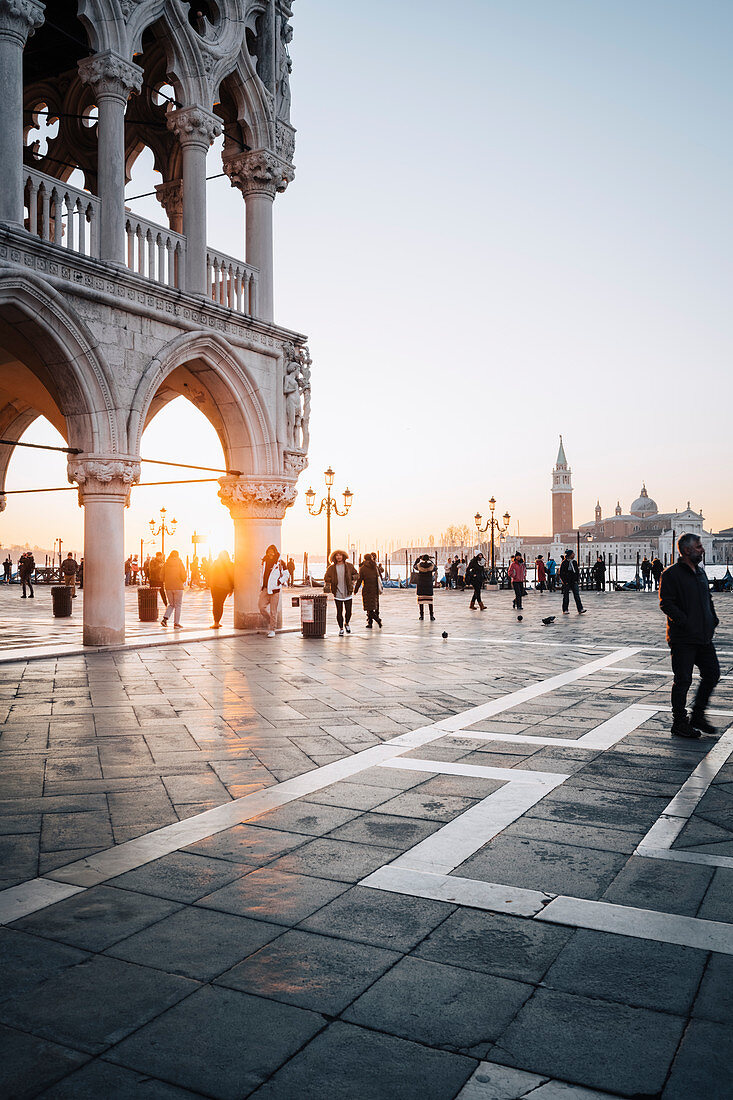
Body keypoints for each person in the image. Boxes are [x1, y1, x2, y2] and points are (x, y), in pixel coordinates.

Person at [659, 533, 720, 739]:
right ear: (686, 550)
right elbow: (666, 603)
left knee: (712, 674)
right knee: (683, 680)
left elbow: (707, 598)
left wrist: (713, 618)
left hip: (703, 637)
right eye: (698, 546)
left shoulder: (700, 573)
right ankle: (679, 722)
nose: (702, 549)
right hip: (683, 638)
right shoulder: (671, 574)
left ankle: (698, 715)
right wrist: (684, 622)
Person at [324, 549, 358, 634]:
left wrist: (352, 578)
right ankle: (341, 628)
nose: (338, 557)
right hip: (337, 592)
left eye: (340, 555)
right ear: (334, 557)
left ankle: (347, 623)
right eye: (337, 555)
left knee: (349, 611)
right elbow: (326, 578)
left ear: (343, 556)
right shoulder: (331, 568)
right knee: (339, 612)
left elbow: (357, 575)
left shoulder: (349, 566)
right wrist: (332, 580)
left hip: (348, 592)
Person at [259, 544, 286, 637]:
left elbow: (286, 574)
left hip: (275, 590)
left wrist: (279, 581)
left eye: (272, 551)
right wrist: (261, 585)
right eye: (269, 551)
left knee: (273, 611)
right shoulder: (264, 562)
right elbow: (262, 574)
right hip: (265, 589)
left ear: (275, 552)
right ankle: (271, 621)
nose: (271, 553)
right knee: (261, 607)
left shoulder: (280, 563)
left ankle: (272, 630)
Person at [354, 553, 382, 628]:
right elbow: (380, 576)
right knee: (373, 606)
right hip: (375, 589)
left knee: (368, 607)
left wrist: (356, 589)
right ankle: (370, 623)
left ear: (364, 559)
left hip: (367, 589)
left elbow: (359, 580)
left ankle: (376, 620)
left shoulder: (363, 568)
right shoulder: (375, 566)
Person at [160, 550, 187, 628]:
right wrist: (182, 580)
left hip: (168, 587)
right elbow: (184, 575)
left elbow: (161, 576)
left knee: (171, 604)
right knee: (178, 605)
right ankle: (176, 623)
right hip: (178, 587)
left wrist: (167, 580)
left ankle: (165, 619)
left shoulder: (166, 563)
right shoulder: (180, 563)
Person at [209, 550, 234, 628]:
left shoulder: (216, 563)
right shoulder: (230, 564)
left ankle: (216, 622)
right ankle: (217, 621)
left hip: (216, 587)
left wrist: (211, 585)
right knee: (220, 604)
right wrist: (231, 588)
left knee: (216, 604)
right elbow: (232, 577)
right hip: (225, 588)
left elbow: (211, 574)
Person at [559, 549, 586, 614]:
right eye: (573, 554)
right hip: (567, 581)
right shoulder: (564, 563)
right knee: (566, 596)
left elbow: (577, 572)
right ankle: (565, 609)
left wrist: (577, 579)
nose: (574, 555)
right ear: (569, 555)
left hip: (574, 581)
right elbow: (561, 573)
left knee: (577, 595)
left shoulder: (574, 562)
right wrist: (564, 581)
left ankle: (580, 609)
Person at [415, 554, 436, 621]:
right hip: (428, 585)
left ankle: (421, 616)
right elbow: (435, 567)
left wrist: (418, 559)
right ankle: (431, 616)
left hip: (421, 585)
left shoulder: (419, 566)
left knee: (421, 602)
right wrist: (430, 560)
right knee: (430, 602)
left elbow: (414, 566)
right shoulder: (431, 566)